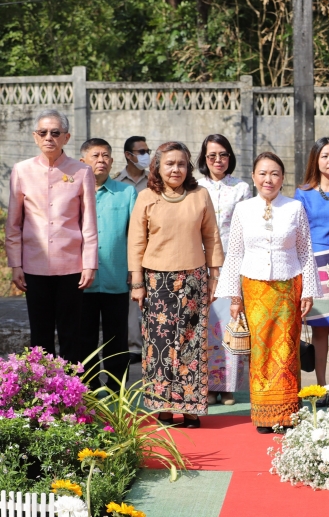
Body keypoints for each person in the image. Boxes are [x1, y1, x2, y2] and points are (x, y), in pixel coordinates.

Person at [216, 152, 322, 434]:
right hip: (254, 287)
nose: (268, 179)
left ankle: (287, 413)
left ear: (283, 178)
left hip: (289, 286)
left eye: (274, 173)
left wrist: (308, 291)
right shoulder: (243, 209)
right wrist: (235, 297)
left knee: (287, 350)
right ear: (253, 177)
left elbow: (305, 251)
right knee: (260, 351)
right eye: (262, 173)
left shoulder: (295, 208)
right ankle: (264, 414)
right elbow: (235, 252)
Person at [128, 142, 224, 429]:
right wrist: (137, 283)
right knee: (159, 346)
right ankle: (165, 409)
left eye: (181, 164)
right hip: (157, 282)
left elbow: (212, 237)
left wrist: (215, 277)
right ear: (158, 166)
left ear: (188, 167)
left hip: (194, 280)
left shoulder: (200, 195)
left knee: (192, 344)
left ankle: (192, 409)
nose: (176, 169)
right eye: (170, 163)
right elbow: (136, 242)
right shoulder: (146, 197)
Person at [5, 109, 97, 363]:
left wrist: (89, 263)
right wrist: (15, 264)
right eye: (43, 133)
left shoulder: (82, 172)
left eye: (55, 133)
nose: (49, 138)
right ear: (35, 137)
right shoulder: (22, 171)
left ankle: (73, 394)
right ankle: (44, 394)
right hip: (34, 265)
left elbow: (88, 222)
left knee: (71, 333)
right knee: (40, 334)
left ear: (66, 138)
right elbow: (13, 223)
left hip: (71, 266)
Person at [197, 134, 252, 407]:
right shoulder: (195, 187)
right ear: (204, 159)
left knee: (232, 323)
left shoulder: (241, 187)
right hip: (201, 262)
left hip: (233, 263)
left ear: (230, 157)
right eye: (212, 156)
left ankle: (229, 387)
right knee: (206, 326)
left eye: (223, 155)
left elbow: (244, 228)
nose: (218, 160)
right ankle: (207, 385)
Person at [294, 137, 329, 399]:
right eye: (325, 156)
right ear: (315, 161)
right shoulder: (303, 193)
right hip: (314, 265)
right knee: (319, 330)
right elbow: (300, 233)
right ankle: (321, 387)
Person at [78, 139, 137, 391]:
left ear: (112, 162)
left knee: (117, 339)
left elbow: (135, 237)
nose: (101, 160)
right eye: (95, 155)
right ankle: (86, 388)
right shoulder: (74, 193)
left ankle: (116, 389)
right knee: (84, 339)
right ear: (83, 162)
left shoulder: (127, 193)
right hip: (81, 281)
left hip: (116, 278)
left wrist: (135, 273)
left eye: (105, 156)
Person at [115, 136, 151, 365]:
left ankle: (153, 345)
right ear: (129, 155)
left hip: (156, 247)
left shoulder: (156, 180)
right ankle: (133, 347)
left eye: (148, 150)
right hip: (129, 249)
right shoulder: (118, 183)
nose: (146, 155)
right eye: (141, 151)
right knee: (132, 301)